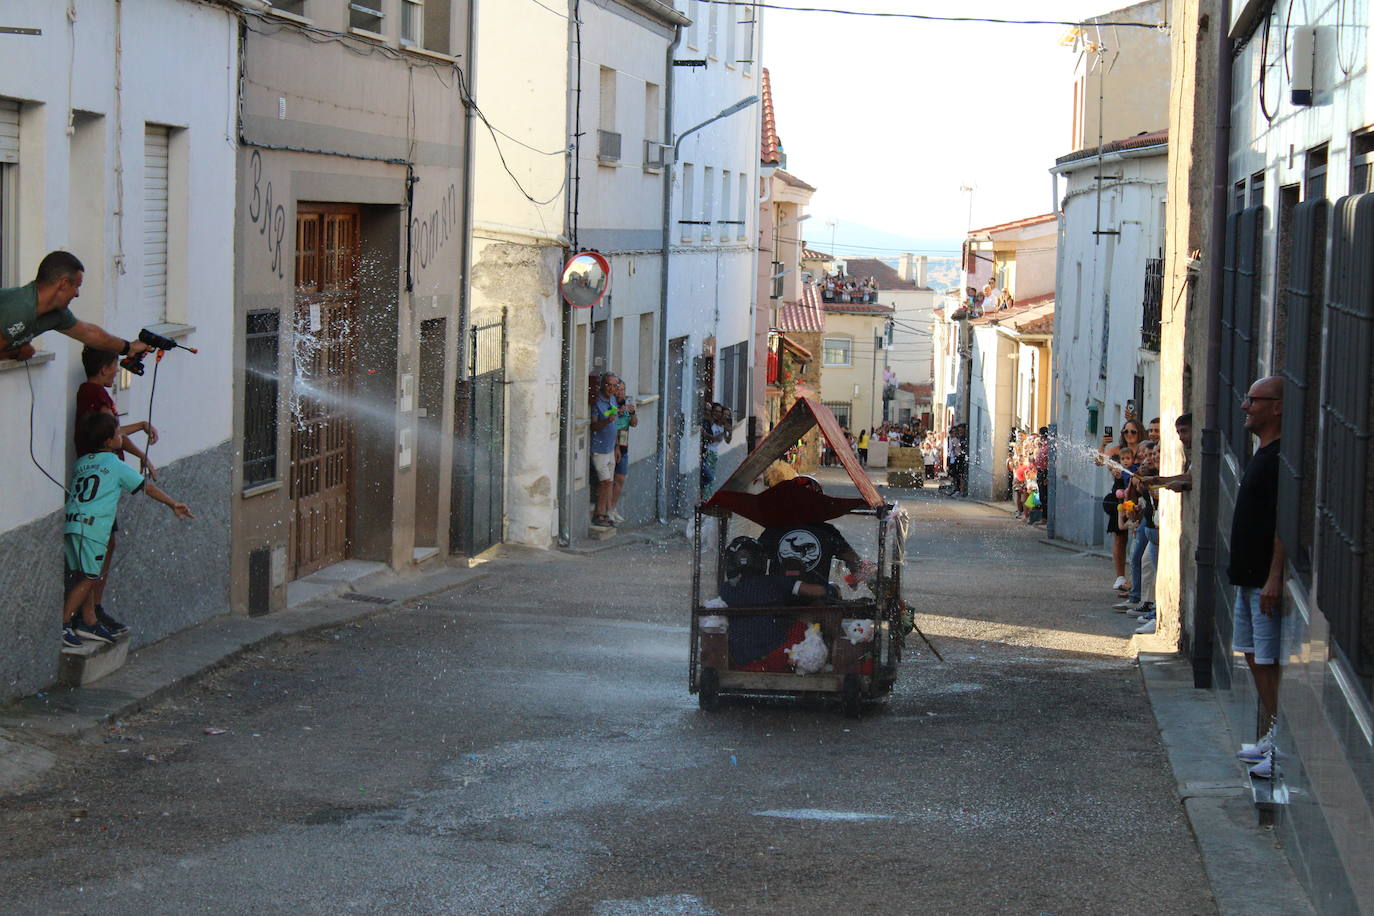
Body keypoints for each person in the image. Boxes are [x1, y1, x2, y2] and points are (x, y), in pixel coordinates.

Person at [63, 412, 193, 648]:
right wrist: (173, 503)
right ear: (108, 442)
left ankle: (88, 621)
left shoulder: (81, 462)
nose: (120, 436)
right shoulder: (115, 464)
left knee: (83, 576)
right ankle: (64, 624)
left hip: (72, 524)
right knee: (91, 576)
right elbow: (147, 488)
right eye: (117, 433)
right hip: (93, 528)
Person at [72, 347, 161, 638]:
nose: (116, 371)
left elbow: (116, 434)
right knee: (96, 553)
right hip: (102, 483)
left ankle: (94, 609)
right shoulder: (95, 395)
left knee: (107, 546)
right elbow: (115, 435)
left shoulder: (93, 393)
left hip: (102, 481)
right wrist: (143, 457)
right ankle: (87, 616)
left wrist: (141, 432)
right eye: (113, 366)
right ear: (103, 368)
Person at [1228, 377, 1287, 778]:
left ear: (1278, 407)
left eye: (1254, 400)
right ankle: (1273, 735)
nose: (1246, 407)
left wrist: (1274, 577)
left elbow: (1284, 521)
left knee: (1266, 659)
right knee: (1250, 653)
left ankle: (1283, 745)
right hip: (1246, 576)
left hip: (1262, 578)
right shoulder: (1261, 452)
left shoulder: (1280, 458)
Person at [0, 251, 153, 363]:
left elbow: (88, 333)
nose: (77, 294)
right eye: (77, 287)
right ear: (64, 283)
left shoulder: (56, 313)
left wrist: (129, 348)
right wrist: (19, 351)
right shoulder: (21, 307)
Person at [589, 373, 620, 528]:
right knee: (605, 482)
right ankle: (598, 514)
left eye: (614, 386)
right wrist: (607, 420)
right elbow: (594, 425)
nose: (611, 388)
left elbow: (613, 417)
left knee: (609, 483)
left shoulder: (613, 400)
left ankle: (605, 513)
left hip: (610, 448)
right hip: (599, 449)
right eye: (608, 385)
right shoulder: (597, 403)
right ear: (603, 385)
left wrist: (616, 447)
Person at [608, 376, 638, 524]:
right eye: (618, 389)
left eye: (622, 390)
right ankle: (607, 510)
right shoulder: (611, 403)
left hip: (624, 444)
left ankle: (613, 508)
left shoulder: (628, 403)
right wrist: (617, 411)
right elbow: (607, 415)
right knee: (610, 479)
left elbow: (634, 424)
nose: (620, 392)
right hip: (612, 444)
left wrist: (632, 412)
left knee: (621, 478)